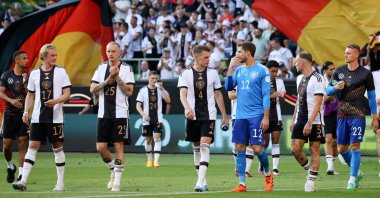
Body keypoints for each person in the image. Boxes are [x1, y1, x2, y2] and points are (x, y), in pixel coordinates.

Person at [13, 44, 71, 191]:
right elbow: (30, 95)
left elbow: (67, 94)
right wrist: (26, 111)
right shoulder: (34, 73)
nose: (55, 57)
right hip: (38, 117)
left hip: (56, 118)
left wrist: (56, 101)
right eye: (52, 55)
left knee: (57, 147)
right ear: (44, 56)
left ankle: (60, 183)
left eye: (55, 55)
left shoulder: (61, 72)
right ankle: (23, 181)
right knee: (32, 147)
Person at [326, 44, 378, 190]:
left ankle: (352, 179)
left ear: (356, 55)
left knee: (355, 145)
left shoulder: (365, 74)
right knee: (342, 149)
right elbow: (328, 90)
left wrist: (374, 116)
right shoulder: (339, 71)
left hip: (358, 114)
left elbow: (372, 96)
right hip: (341, 114)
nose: (345, 55)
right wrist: (335, 87)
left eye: (348, 53)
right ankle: (357, 172)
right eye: (345, 53)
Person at [177, 45, 229, 192]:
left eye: (209, 57)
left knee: (205, 146)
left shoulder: (213, 73)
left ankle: (199, 182)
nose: (208, 60)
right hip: (192, 115)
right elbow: (182, 93)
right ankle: (203, 180)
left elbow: (218, 95)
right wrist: (187, 108)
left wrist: (224, 116)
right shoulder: (185, 73)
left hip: (209, 115)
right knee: (196, 149)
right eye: (206, 57)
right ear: (196, 57)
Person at [225, 41, 274, 192]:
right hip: (240, 115)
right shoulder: (239, 71)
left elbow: (266, 95)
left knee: (258, 148)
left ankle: (267, 174)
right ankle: (242, 183)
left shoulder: (262, 70)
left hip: (256, 115)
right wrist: (230, 68)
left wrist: (266, 117)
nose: (237, 54)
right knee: (239, 147)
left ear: (248, 53)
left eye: (240, 52)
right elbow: (228, 87)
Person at [90, 42, 135, 192]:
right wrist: (108, 80)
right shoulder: (101, 67)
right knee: (100, 147)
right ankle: (113, 171)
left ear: (119, 53)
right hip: (103, 114)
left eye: (113, 51)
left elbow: (129, 92)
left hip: (120, 114)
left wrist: (117, 79)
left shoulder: (127, 69)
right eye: (108, 51)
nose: (110, 54)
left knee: (118, 146)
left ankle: (117, 182)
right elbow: (92, 89)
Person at [290, 51, 325, 192]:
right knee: (295, 149)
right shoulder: (299, 78)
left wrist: (310, 122)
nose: (294, 64)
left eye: (296, 61)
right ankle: (310, 171)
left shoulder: (318, 78)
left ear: (302, 62)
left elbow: (318, 103)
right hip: (300, 118)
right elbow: (299, 100)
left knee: (314, 149)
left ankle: (310, 182)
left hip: (315, 120)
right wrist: (294, 119)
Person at [0, 50, 29, 183]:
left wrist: (25, 83)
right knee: (6, 146)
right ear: (17, 61)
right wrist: (11, 101)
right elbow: (1, 93)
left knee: (22, 143)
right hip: (10, 115)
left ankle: (21, 176)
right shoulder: (6, 75)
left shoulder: (28, 76)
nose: (27, 60)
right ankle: (10, 166)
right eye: (24, 58)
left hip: (23, 115)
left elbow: (31, 94)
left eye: (27, 58)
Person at [136, 71, 170, 167]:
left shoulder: (160, 90)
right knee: (148, 139)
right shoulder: (143, 90)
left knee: (157, 138)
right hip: (147, 119)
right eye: (152, 78)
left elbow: (168, 100)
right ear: (148, 78)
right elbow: (138, 105)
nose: (154, 80)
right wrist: (143, 115)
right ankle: (149, 160)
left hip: (158, 119)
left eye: (156, 78)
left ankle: (156, 161)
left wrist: (163, 89)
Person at [265, 60, 286, 176]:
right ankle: (262, 164)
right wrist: (273, 95)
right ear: (267, 70)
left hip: (276, 114)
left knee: (276, 141)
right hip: (265, 115)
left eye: (276, 71)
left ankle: (275, 168)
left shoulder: (280, 82)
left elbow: (283, 99)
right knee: (265, 141)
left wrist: (282, 96)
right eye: (272, 71)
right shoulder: (262, 80)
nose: (274, 73)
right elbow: (259, 98)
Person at [229, 88, 255, 178]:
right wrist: (246, 93)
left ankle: (246, 170)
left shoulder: (254, 77)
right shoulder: (235, 79)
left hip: (252, 114)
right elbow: (231, 95)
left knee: (251, 142)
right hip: (237, 115)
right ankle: (238, 166)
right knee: (237, 143)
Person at [322, 61, 339, 175]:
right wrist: (333, 91)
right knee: (328, 139)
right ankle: (330, 166)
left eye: (334, 69)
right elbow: (323, 99)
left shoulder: (335, 81)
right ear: (325, 70)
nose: (333, 71)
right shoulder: (321, 81)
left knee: (335, 141)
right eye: (331, 69)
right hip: (326, 113)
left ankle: (333, 164)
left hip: (338, 112)